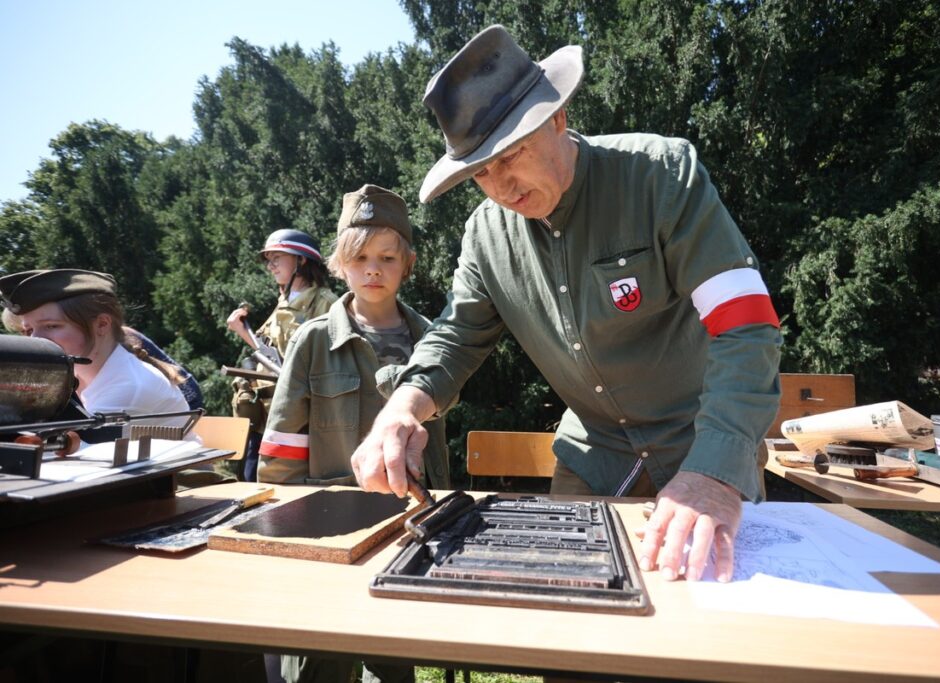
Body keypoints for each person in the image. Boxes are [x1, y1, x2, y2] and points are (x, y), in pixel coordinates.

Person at [351, 25, 782, 584]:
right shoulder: (485, 236)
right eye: (480, 172)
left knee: (719, 610)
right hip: (593, 461)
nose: (501, 187)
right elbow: (456, 338)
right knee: (571, 610)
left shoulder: (661, 176)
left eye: (511, 154)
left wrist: (715, 473)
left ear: (557, 117)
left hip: (705, 448)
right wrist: (402, 408)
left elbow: (746, 326)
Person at [259, 185, 445, 683]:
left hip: (407, 526)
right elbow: (283, 444)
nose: (373, 269)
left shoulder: (432, 340)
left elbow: (437, 443)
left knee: (391, 658)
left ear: (408, 264)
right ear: (340, 265)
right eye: (360, 258)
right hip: (328, 528)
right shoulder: (314, 339)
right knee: (320, 659)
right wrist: (287, 530)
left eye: (387, 257)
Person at [0, 269, 190, 442]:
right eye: (29, 330)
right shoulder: (78, 377)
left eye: (51, 326)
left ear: (102, 324)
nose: (35, 339)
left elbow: (65, 456)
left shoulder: (129, 387)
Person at [225, 229, 337, 482]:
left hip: (298, 419)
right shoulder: (283, 301)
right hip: (265, 414)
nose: (270, 266)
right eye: (269, 259)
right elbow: (273, 355)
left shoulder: (326, 303)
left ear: (302, 260)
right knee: (252, 480)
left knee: (286, 485)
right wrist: (242, 331)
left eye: (277, 258)